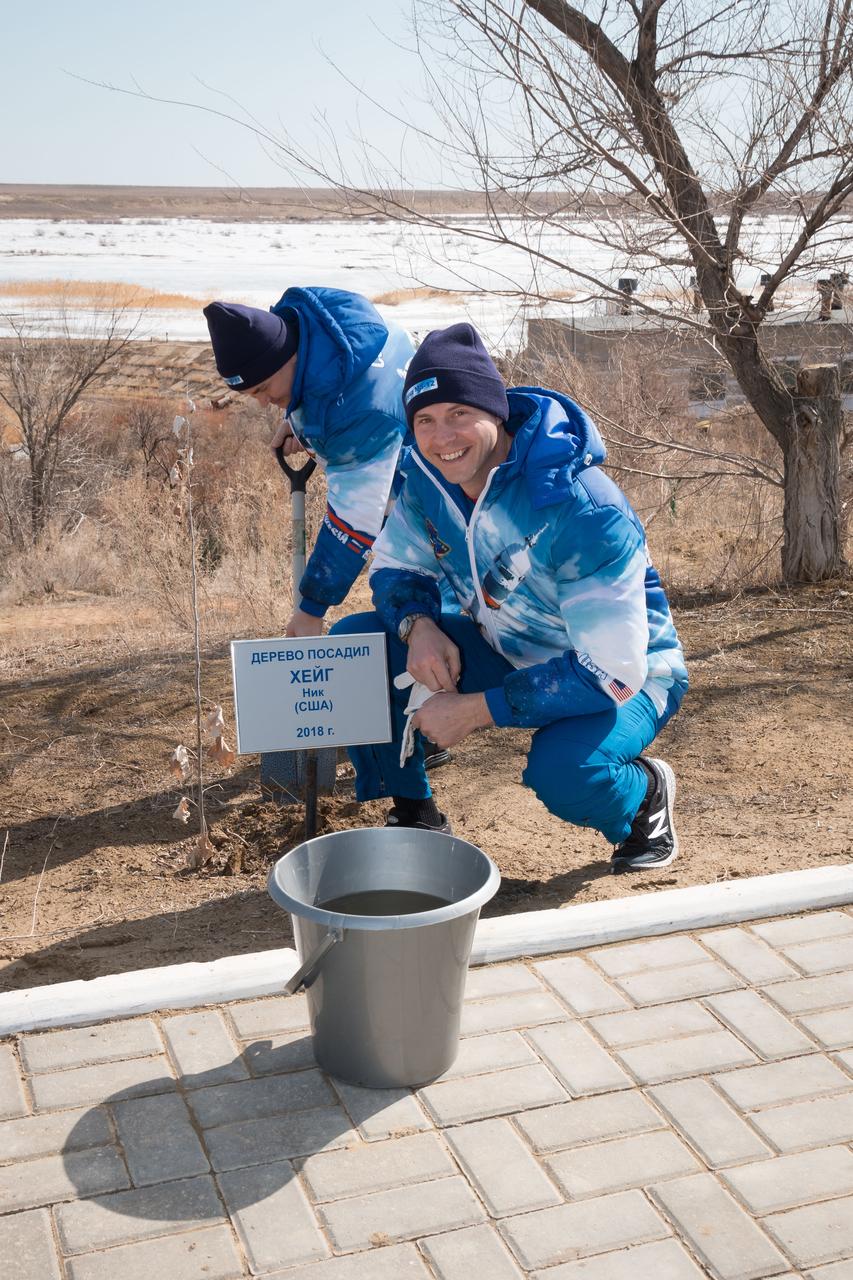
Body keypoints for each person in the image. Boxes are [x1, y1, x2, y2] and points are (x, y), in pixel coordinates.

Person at [330, 322, 688, 870]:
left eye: (458, 414)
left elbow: (613, 671)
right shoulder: (426, 476)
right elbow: (397, 563)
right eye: (425, 420)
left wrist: (474, 711)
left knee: (566, 773)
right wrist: (418, 625)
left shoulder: (581, 507)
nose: (441, 437)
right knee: (357, 646)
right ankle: (415, 811)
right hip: (505, 648)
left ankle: (643, 796)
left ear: (495, 410)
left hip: (627, 675)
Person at [204, 286, 416, 639]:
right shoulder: (330, 333)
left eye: (263, 389)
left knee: (424, 625)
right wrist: (299, 421)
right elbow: (319, 382)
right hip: (412, 479)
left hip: (433, 513)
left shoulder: (359, 413)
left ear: (286, 357)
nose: (262, 402)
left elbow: (354, 521)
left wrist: (310, 609)